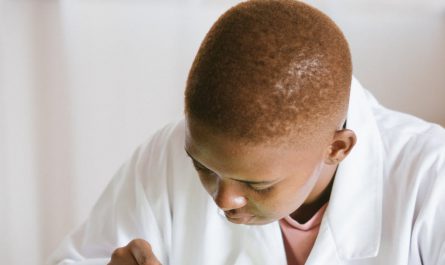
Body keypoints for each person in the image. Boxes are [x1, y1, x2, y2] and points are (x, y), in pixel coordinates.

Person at [48, 0, 445, 264]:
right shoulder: (167, 154)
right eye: (203, 168)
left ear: (337, 148)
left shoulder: (431, 180)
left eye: (257, 184)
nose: (224, 199)